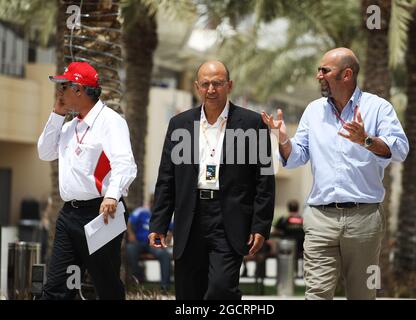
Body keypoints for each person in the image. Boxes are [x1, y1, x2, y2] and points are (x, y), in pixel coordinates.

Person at [262, 47, 409, 300]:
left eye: (325, 70)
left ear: (347, 74)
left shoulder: (378, 108)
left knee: (362, 294)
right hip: (320, 217)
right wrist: (283, 140)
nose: (318, 75)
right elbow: (297, 156)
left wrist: (366, 140)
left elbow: (400, 150)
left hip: (364, 219)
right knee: (316, 294)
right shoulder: (313, 111)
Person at [149, 60, 275, 300]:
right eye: (205, 84)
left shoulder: (252, 123)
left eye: (217, 83)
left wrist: (260, 225)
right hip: (190, 216)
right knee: (188, 294)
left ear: (229, 85)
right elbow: (166, 178)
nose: (211, 89)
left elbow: (265, 181)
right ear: (197, 86)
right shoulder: (180, 124)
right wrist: (158, 223)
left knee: (221, 289)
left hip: (229, 218)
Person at [37, 62, 137, 300]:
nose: (60, 92)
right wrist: (56, 115)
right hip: (69, 214)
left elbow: (125, 163)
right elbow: (45, 152)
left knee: (106, 285)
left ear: (79, 89)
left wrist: (112, 195)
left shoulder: (111, 121)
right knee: (56, 287)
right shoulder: (70, 126)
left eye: (64, 86)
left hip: (101, 213)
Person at [126, 194, 172, 293]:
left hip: (155, 245)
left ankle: (165, 287)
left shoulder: (163, 214)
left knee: (165, 255)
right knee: (130, 249)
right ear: (151, 203)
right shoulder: (141, 211)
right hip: (139, 242)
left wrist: (167, 239)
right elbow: (129, 222)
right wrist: (131, 234)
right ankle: (139, 276)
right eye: (153, 202)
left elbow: (172, 228)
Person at [272, 200, 305, 277]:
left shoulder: (284, 219)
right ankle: (302, 274)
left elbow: (275, 231)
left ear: (288, 208)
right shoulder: (302, 220)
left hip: (287, 247)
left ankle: (291, 273)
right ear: (297, 208)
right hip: (301, 248)